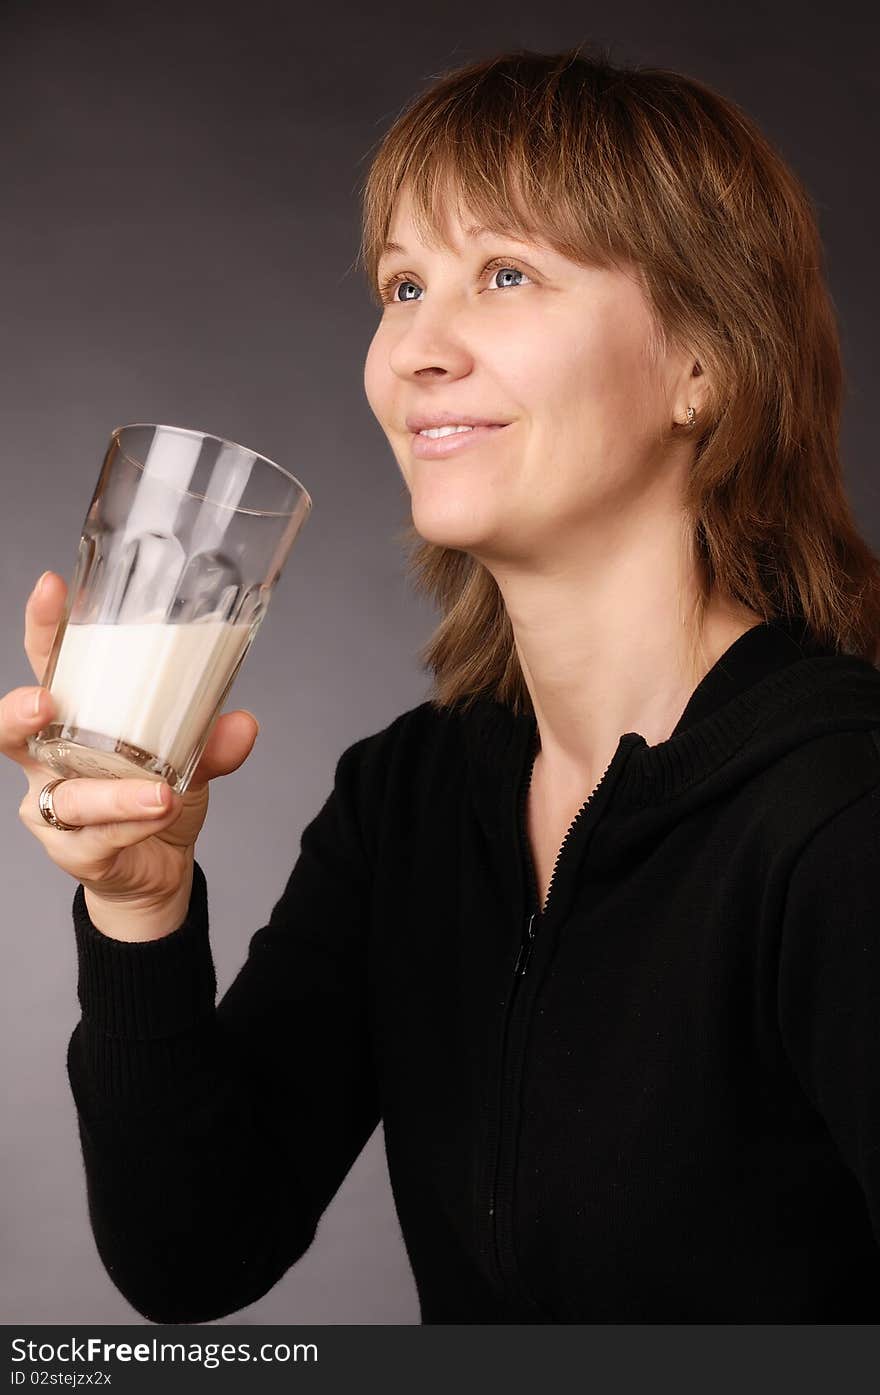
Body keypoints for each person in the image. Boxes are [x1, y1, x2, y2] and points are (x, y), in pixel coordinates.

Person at [7, 44, 880, 1323]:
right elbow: (191, 1255)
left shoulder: (839, 815)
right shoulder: (410, 798)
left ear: (706, 362)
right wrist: (140, 908)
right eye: (402, 283)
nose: (420, 346)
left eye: (507, 275)